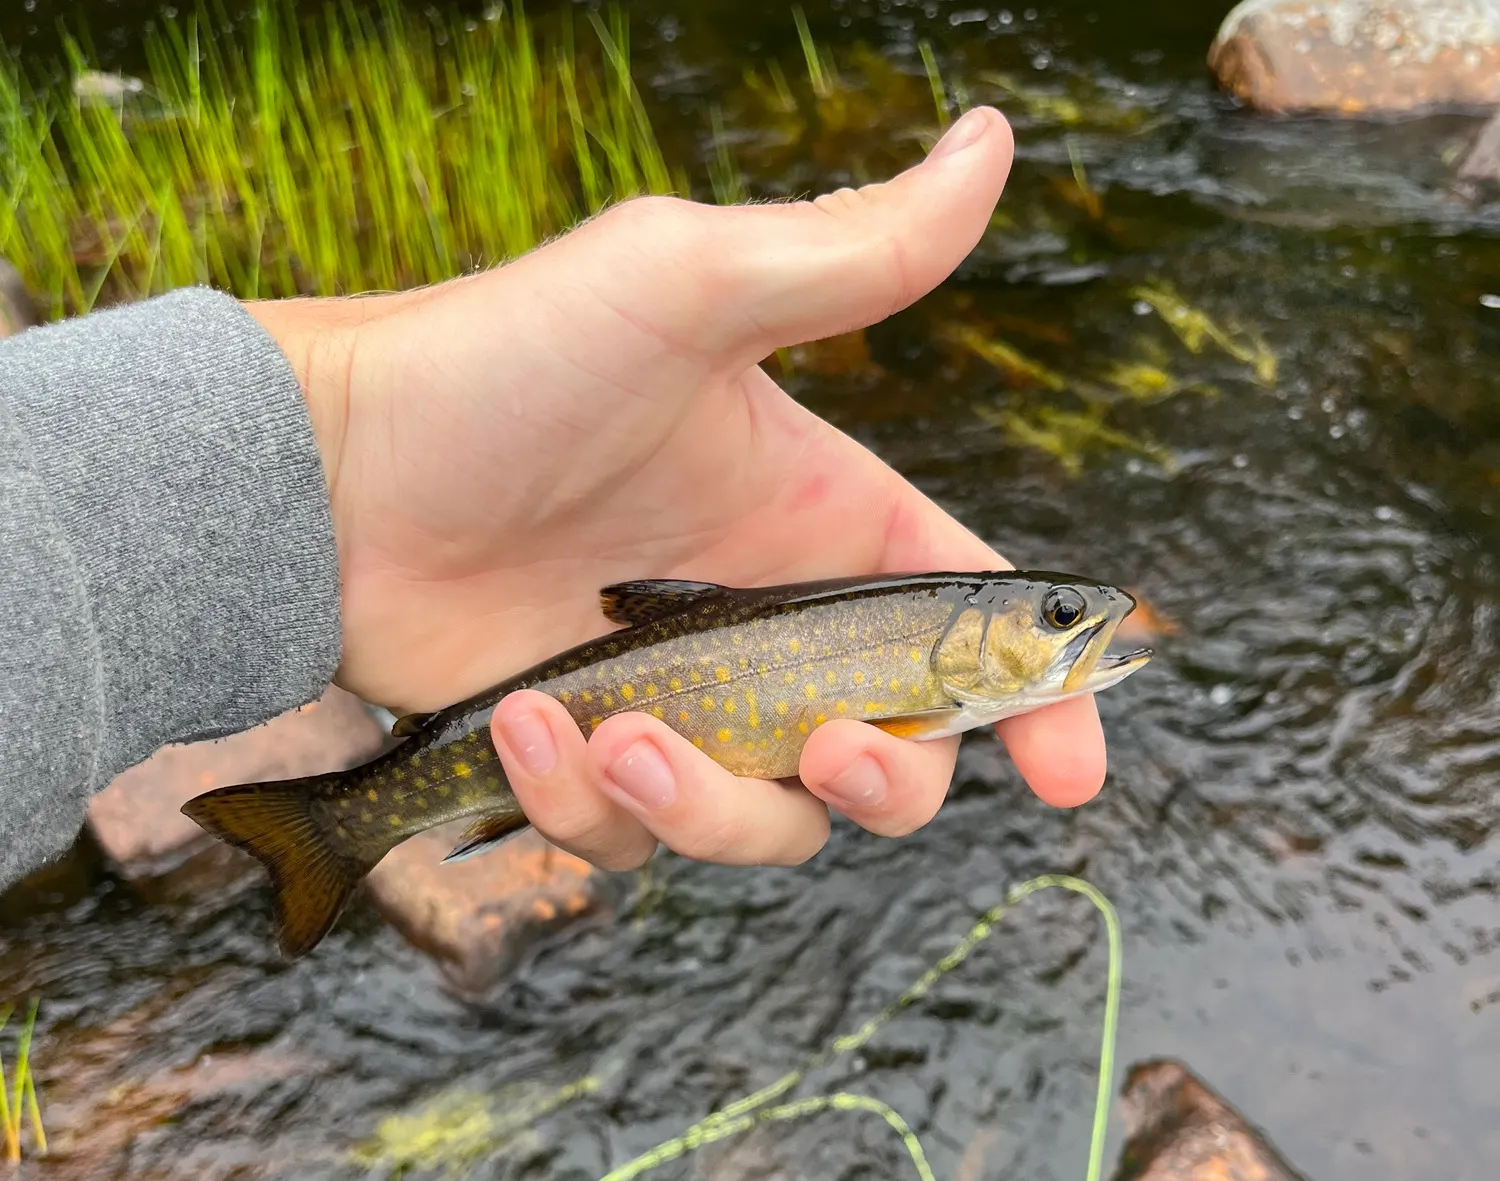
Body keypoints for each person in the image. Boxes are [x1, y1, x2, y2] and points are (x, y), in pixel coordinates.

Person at [0, 106, 1107, 896]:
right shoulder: (923, 667)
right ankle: (334, 829)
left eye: (1061, 616)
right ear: (977, 639)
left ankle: (343, 824)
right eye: (1056, 617)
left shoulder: (933, 662)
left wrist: (330, 466)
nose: (1080, 619)